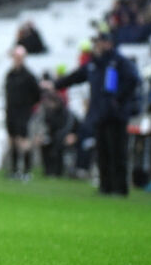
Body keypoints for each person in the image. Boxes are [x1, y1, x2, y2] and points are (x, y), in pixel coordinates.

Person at [44, 31, 140, 196]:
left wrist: (118, 100)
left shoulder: (119, 62)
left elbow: (133, 79)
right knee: (103, 151)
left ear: (108, 43)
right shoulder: (94, 64)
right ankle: (106, 186)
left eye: (99, 42)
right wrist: (56, 84)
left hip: (116, 116)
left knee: (117, 151)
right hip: (100, 115)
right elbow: (75, 77)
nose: (96, 45)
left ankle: (120, 188)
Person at [4, 45, 41, 180]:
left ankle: (26, 170)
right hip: (11, 112)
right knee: (12, 140)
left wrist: (28, 106)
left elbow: (37, 95)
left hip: (23, 112)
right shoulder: (10, 74)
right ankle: (14, 170)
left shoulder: (29, 76)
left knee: (23, 141)